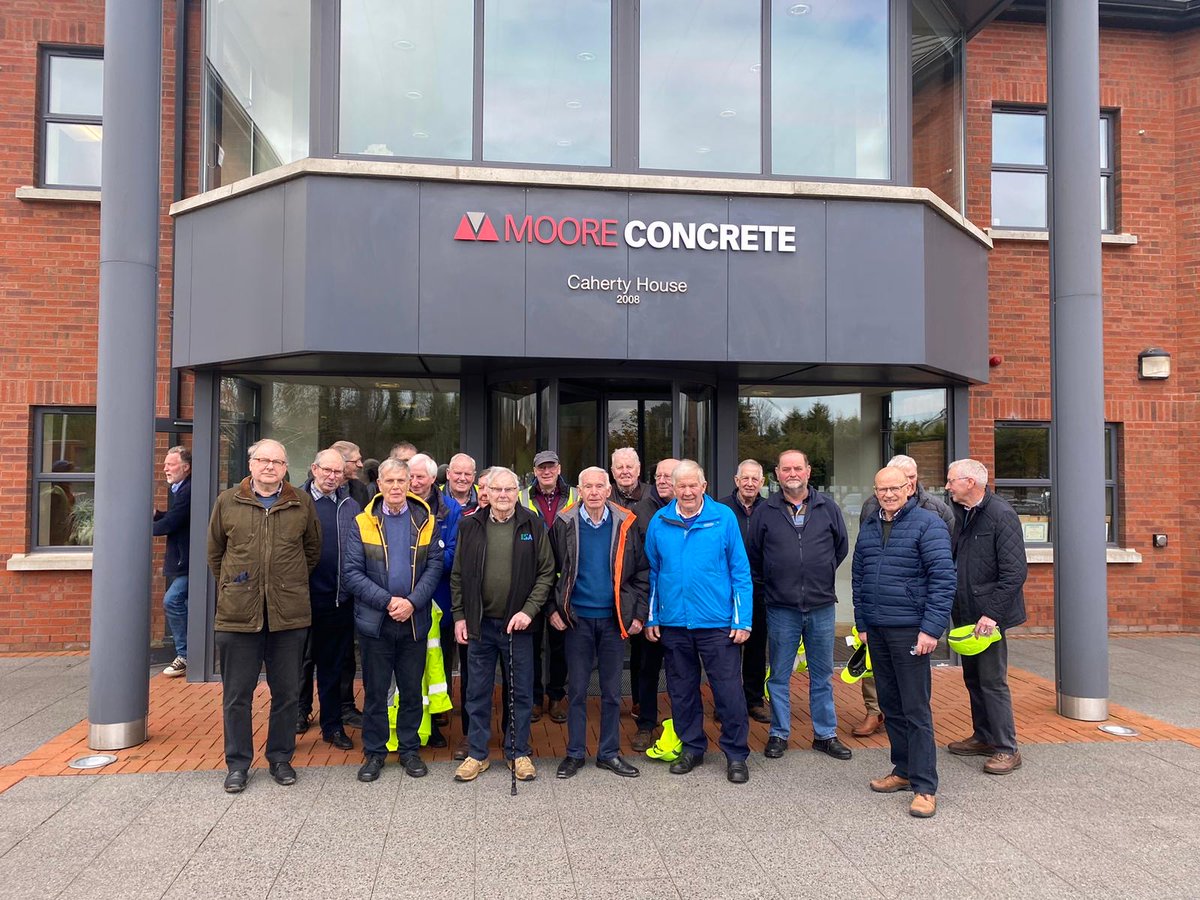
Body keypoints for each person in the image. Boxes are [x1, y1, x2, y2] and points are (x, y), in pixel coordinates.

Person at [206, 439, 321, 794]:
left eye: (278, 461)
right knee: (237, 695)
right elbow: (216, 554)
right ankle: (238, 764)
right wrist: (237, 587)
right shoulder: (228, 501)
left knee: (287, 692)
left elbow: (312, 551)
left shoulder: (301, 503)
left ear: (287, 468)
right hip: (239, 616)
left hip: (288, 616)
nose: (270, 467)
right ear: (251, 463)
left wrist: (286, 583)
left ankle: (281, 757)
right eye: (263, 460)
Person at [851, 466, 955, 818]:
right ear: (875, 491)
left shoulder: (929, 523)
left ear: (909, 487)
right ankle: (902, 770)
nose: (889, 494)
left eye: (895, 488)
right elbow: (859, 575)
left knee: (915, 708)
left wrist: (931, 630)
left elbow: (943, 579)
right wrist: (862, 622)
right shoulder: (869, 525)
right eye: (883, 489)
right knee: (891, 705)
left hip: (911, 629)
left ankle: (925, 786)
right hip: (877, 630)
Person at [645, 460, 753, 784]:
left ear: (704, 486)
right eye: (682, 486)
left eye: (694, 485)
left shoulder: (723, 518)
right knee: (681, 690)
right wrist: (652, 615)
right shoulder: (659, 521)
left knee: (729, 691)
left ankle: (736, 754)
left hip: (717, 624)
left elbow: (741, 572)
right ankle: (692, 747)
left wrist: (742, 619)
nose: (688, 491)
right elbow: (653, 572)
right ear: (673, 488)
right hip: (675, 623)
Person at [342, 458, 445, 782]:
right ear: (380, 484)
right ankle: (374, 753)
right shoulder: (362, 522)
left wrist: (412, 603)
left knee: (412, 691)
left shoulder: (425, 519)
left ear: (409, 483)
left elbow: (435, 566)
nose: (397, 486)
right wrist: (389, 602)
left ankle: (409, 750)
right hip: (377, 622)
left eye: (402, 480)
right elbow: (352, 574)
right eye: (390, 481)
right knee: (375, 692)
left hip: (414, 621)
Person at [451, 467, 555, 783]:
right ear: (486, 491)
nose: (503, 496)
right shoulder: (470, 525)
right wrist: (459, 616)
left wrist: (529, 611)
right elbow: (458, 575)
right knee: (477, 692)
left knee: (521, 692)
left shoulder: (532, 524)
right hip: (480, 626)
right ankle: (477, 754)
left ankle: (518, 752)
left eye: (509, 490)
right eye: (497, 490)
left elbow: (546, 573)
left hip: (519, 627)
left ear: (517, 492)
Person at [749, 450, 851, 761]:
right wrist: (776, 583)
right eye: (786, 469)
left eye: (798, 467)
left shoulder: (827, 508)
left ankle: (825, 734)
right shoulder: (765, 511)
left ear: (808, 472)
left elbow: (841, 547)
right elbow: (754, 555)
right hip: (781, 608)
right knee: (779, 674)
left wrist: (817, 574)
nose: (792, 473)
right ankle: (779, 734)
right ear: (777, 474)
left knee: (822, 674)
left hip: (821, 606)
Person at [549, 467, 649, 779]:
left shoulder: (626, 523)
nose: (593, 492)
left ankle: (608, 753)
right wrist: (554, 607)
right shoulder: (564, 522)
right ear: (578, 490)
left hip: (613, 620)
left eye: (599, 486)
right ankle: (575, 753)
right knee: (577, 690)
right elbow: (549, 570)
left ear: (608, 490)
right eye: (587, 486)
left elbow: (641, 573)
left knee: (610, 692)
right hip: (576, 619)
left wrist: (637, 613)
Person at [944, 458, 1028, 775]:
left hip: (987, 618)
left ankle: (1007, 748)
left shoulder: (1000, 515)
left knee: (992, 681)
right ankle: (983, 736)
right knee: (973, 678)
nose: (948, 486)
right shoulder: (961, 513)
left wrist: (991, 615)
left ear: (970, 482)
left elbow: (1014, 573)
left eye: (952, 480)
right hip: (965, 612)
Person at [299, 448, 363, 752]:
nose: (332, 477)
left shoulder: (351, 506)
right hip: (299, 601)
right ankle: (296, 716)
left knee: (332, 667)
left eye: (338, 472)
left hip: (338, 601)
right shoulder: (297, 502)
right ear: (314, 468)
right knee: (297, 663)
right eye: (327, 470)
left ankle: (332, 725)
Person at [518, 449, 578, 724]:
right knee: (530, 643)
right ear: (534, 470)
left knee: (560, 643)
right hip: (530, 579)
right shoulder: (522, 497)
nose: (546, 472)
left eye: (551, 467)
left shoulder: (575, 496)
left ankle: (556, 697)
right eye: (541, 467)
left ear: (559, 468)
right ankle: (532, 699)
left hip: (564, 580)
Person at [407, 453, 461, 749]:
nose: (414, 482)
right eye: (410, 477)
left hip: (439, 599)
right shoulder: (394, 504)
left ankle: (436, 720)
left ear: (432, 479)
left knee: (437, 662)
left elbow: (453, 553)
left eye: (420, 477)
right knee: (409, 664)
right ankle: (412, 722)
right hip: (403, 598)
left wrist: (423, 562)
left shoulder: (450, 509)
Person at [630, 456, 679, 751]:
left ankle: (682, 723)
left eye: (667, 476)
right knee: (646, 667)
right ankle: (646, 724)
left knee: (680, 670)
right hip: (650, 605)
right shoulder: (640, 511)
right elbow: (634, 562)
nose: (661, 480)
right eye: (658, 475)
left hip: (683, 607)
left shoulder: (696, 510)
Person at [719, 459, 769, 723]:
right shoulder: (720, 508)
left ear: (762, 483)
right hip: (727, 590)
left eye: (755, 479)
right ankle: (726, 701)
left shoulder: (771, 508)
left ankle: (753, 699)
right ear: (736, 481)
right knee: (727, 648)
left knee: (756, 647)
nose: (750, 483)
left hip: (760, 589)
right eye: (745, 478)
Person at [154, 446, 191, 678]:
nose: (166, 468)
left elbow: (174, 522)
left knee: (172, 600)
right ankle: (190, 650)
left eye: (171, 464)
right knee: (180, 603)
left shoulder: (188, 491)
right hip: (185, 561)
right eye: (166, 464)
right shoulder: (181, 489)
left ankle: (186, 654)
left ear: (185, 467)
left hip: (190, 562)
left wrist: (143, 525)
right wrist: (158, 515)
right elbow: (175, 516)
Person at [332, 440, 372, 508]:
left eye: (360, 460)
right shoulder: (315, 491)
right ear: (340, 462)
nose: (361, 465)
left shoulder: (361, 489)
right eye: (355, 461)